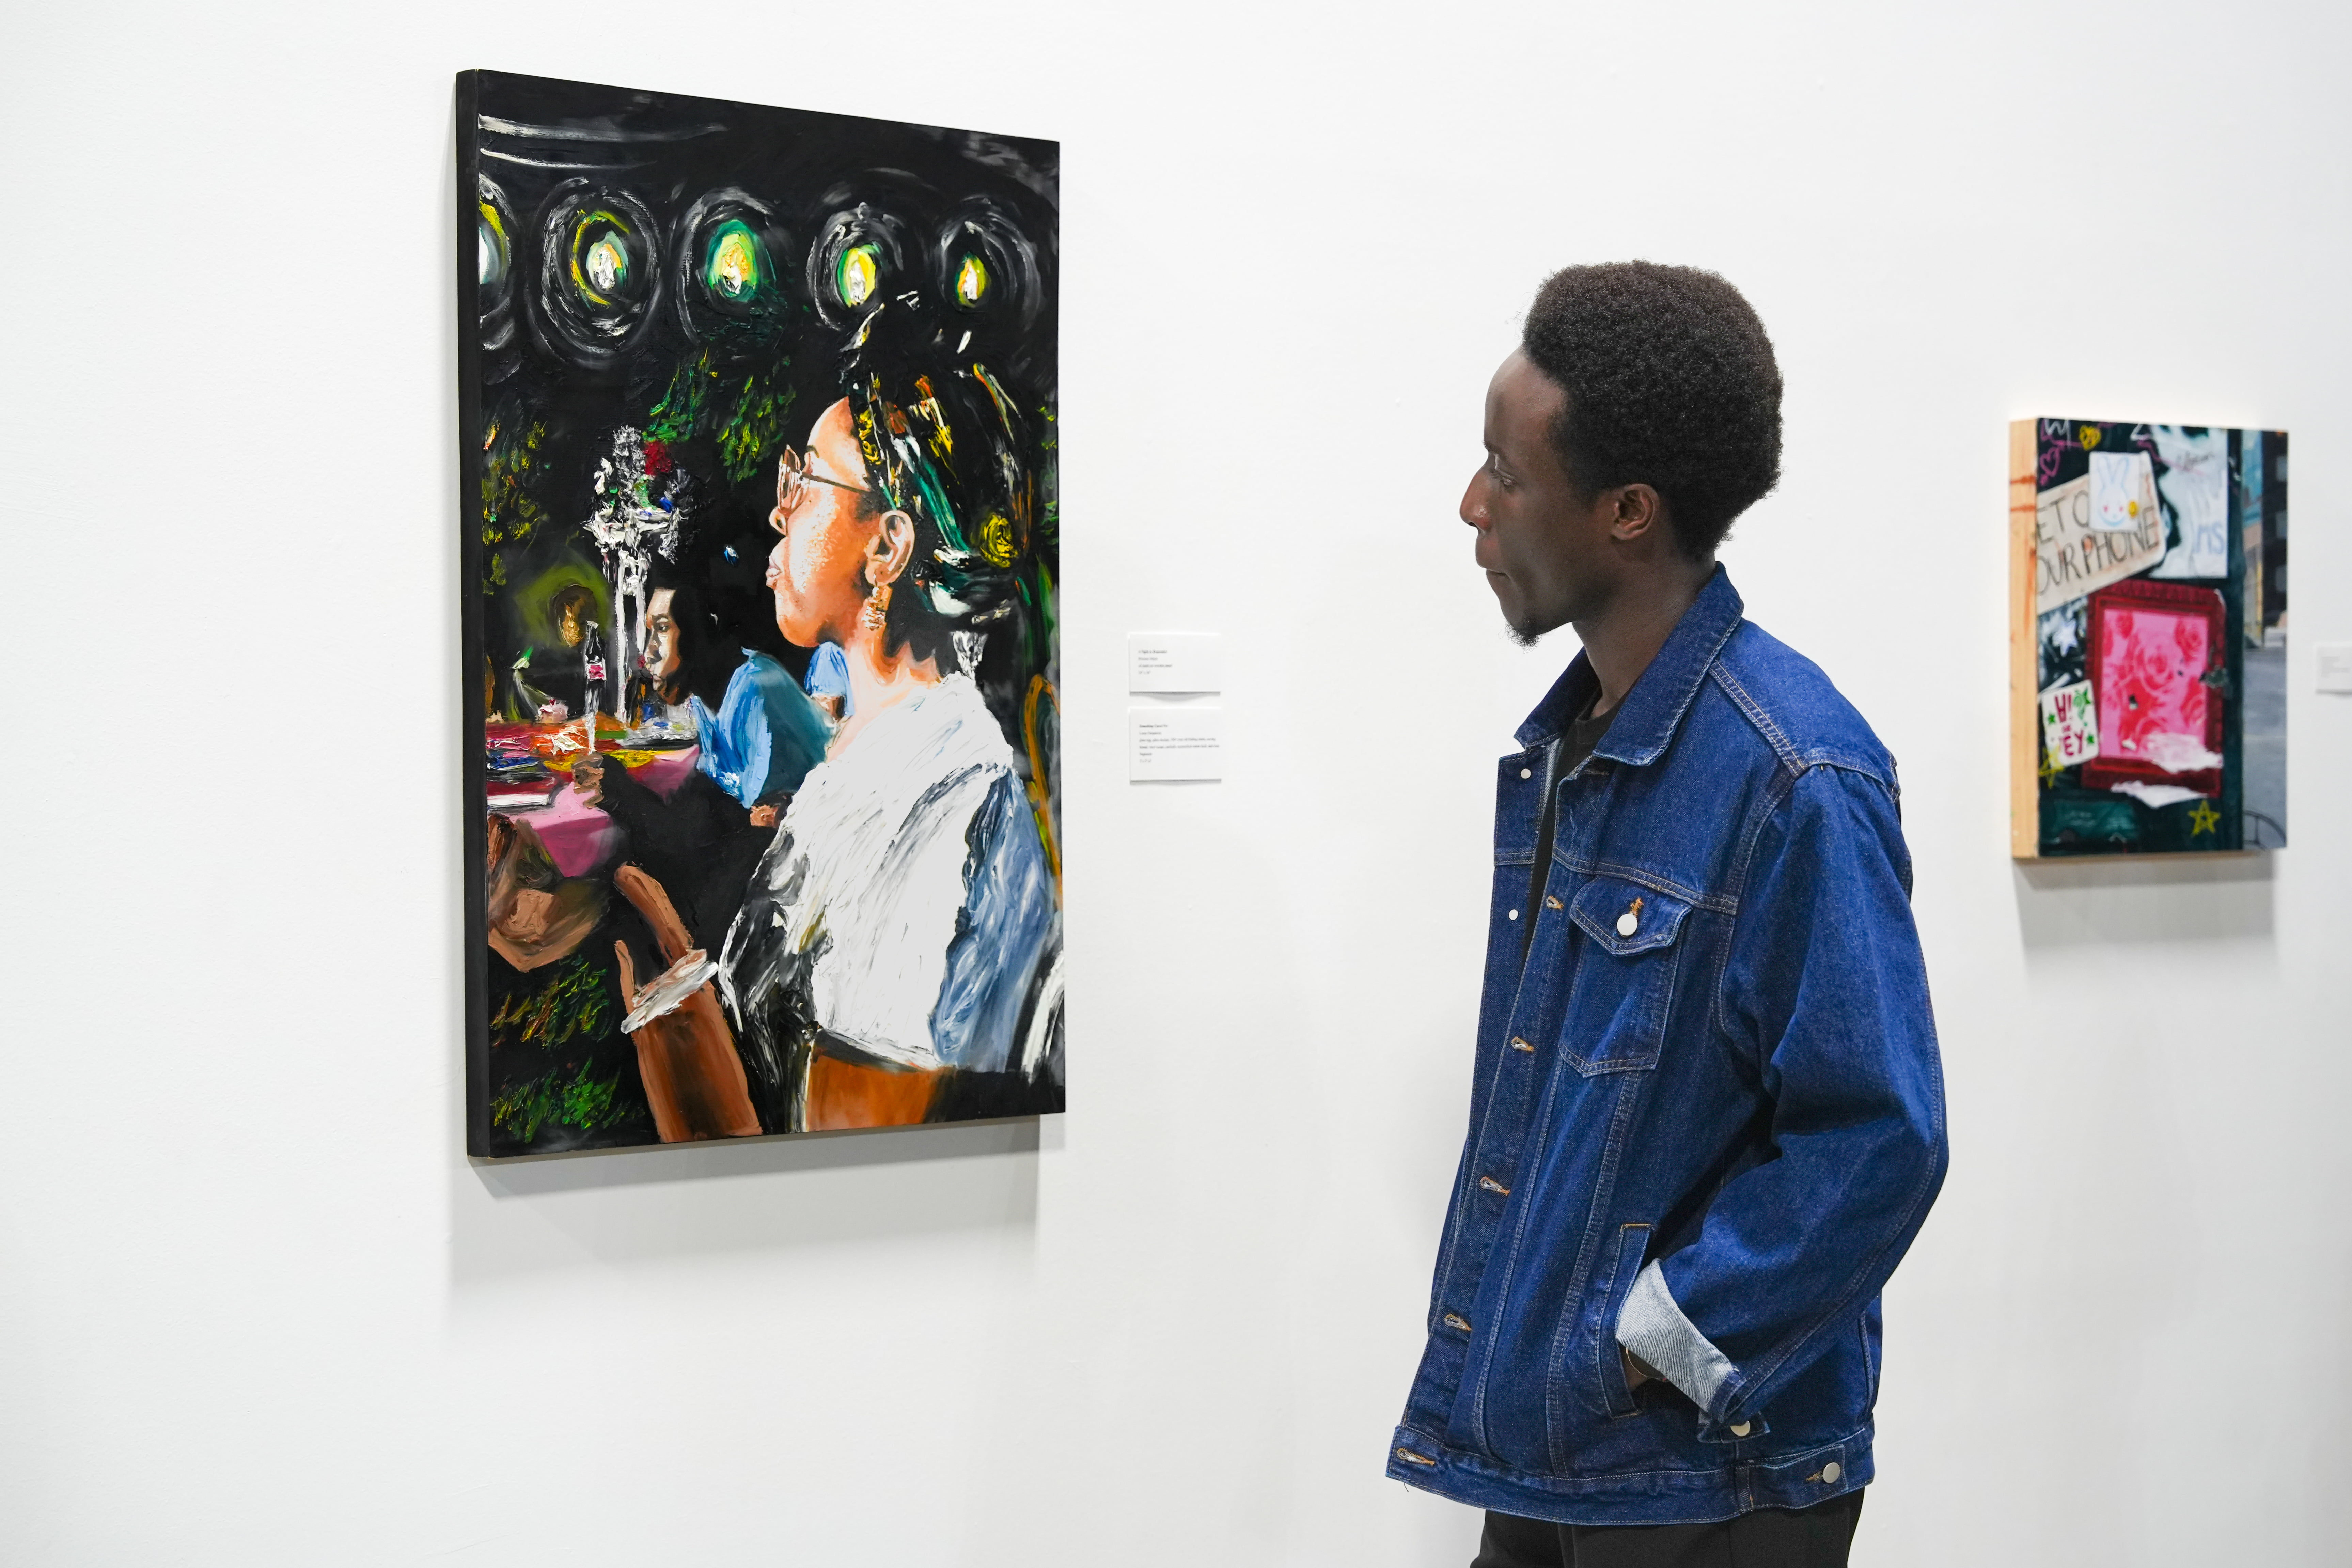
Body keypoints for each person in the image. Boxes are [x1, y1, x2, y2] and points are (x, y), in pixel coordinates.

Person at [1386, 263, 1947, 1568]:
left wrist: (1654, 1342)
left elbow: (1878, 1134)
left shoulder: (1795, 773)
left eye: (1504, 473)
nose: (1470, 506)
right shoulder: (1571, 750)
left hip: (1706, 1470)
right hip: (1553, 1447)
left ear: (1625, 510)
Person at [716, 363, 1058, 1133]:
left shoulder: (956, 805)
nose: (778, 511)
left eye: (802, 481)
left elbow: (852, 1129)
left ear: (888, 547)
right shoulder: (858, 770)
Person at [572, 560, 828, 947]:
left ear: (703, 630)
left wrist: (626, 797)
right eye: (649, 634)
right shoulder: (707, 700)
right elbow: (715, 818)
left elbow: (751, 842)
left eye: (662, 630)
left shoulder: (756, 688)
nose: (648, 655)